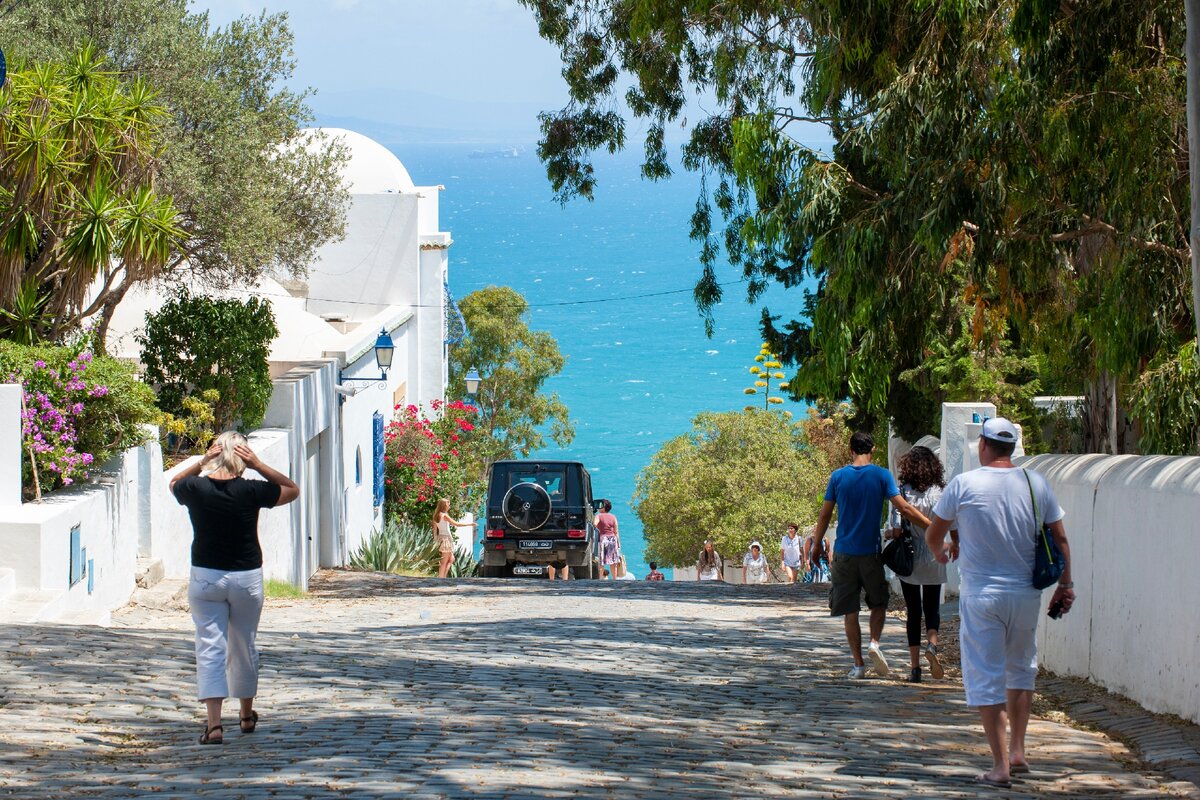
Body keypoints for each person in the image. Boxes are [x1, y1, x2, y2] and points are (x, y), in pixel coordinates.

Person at [925, 418, 1075, 788]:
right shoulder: (1034, 482)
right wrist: (1066, 584)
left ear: (983, 445)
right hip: (1026, 595)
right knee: (1021, 668)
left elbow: (934, 532)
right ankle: (1019, 751)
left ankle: (999, 766)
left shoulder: (964, 484)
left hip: (981, 596)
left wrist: (941, 552)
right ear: (1012, 447)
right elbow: (1060, 538)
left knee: (986, 675)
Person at [171, 431, 300, 745]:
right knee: (244, 643)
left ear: (215, 454)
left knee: (210, 646)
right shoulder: (252, 490)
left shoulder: (196, 487)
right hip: (246, 577)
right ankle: (245, 715)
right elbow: (291, 489)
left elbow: (173, 483)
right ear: (242, 457)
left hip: (206, 576)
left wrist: (201, 461)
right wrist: (258, 464)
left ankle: (214, 725)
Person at [811, 431, 931, 680]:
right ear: (873, 450)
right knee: (879, 604)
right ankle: (874, 643)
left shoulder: (838, 477)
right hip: (871, 554)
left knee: (849, 611)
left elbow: (824, 515)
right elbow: (904, 507)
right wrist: (932, 526)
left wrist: (815, 546)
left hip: (844, 554)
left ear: (850, 450)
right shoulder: (881, 475)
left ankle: (858, 665)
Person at [884, 446, 955, 683]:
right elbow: (951, 523)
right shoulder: (942, 493)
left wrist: (890, 535)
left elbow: (895, 529)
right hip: (935, 555)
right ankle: (932, 646)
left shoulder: (902, 492)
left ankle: (915, 669)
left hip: (910, 558)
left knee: (913, 611)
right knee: (932, 608)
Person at [432, 499, 476, 579]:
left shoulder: (436, 515)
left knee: (451, 559)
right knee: (444, 562)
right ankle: (441, 579)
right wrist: (470, 524)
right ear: (444, 505)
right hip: (446, 539)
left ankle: (443, 577)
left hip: (441, 537)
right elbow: (456, 524)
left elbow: (435, 530)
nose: (449, 506)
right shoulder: (444, 515)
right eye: (448, 504)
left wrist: (436, 540)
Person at [595, 500, 622, 577]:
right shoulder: (613, 517)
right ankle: (614, 579)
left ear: (604, 508)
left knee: (601, 561)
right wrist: (618, 543)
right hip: (613, 539)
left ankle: (600, 578)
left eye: (601, 505)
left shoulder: (599, 516)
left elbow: (594, 524)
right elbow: (616, 531)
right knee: (613, 562)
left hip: (603, 539)